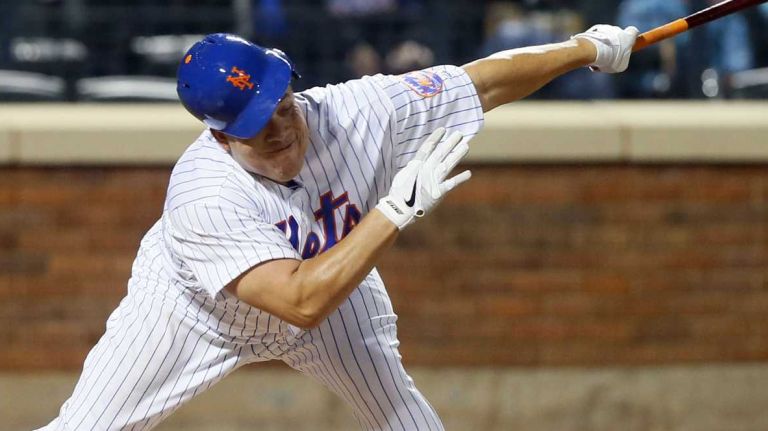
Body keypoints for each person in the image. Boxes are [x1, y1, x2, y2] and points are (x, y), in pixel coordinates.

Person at [38, 25, 638, 430]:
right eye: (255, 125)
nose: (279, 127)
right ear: (220, 136)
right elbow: (298, 300)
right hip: (195, 315)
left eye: (282, 105)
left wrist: (585, 49)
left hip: (334, 291)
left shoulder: (358, 110)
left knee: (407, 420)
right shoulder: (203, 195)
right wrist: (392, 214)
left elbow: (480, 83)